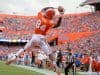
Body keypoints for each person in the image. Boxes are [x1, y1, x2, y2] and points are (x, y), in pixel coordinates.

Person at [5, 6, 65, 75]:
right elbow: (57, 25)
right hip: (41, 38)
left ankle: (15, 56)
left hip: (34, 37)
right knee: (50, 53)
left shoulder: (40, 16)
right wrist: (61, 15)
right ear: (50, 16)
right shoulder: (49, 22)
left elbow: (43, 9)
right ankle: (55, 66)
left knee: (24, 48)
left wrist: (52, 8)